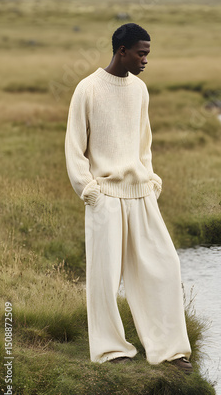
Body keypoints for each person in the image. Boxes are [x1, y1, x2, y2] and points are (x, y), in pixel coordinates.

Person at [65, 23, 192, 373]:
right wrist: (88, 190)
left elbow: (143, 144)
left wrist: (150, 181)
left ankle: (168, 350)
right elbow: (75, 147)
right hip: (104, 195)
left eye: (148, 53)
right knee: (104, 277)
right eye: (141, 53)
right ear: (122, 51)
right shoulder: (87, 89)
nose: (146, 60)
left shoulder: (140, 91)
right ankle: (111, 350)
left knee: (165, 267)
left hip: (141, 194)